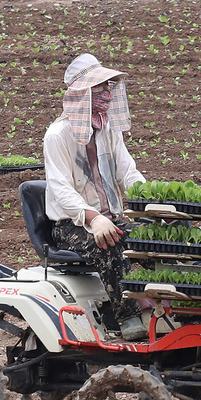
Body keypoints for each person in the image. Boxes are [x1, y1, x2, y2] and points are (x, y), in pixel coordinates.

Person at [43, 53, 147, 340]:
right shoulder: (57, 135)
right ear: (81, 94)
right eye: (100, 87)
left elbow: (128, 172)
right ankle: (128, 317)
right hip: (71, 224)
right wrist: (94, 218)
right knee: (109, 242)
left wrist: (151, 201)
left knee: (154, 240)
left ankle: (168, 305)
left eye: (109, 86)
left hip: (110, 217)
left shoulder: (108, 130)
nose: (107, 93)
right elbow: (61, 189)